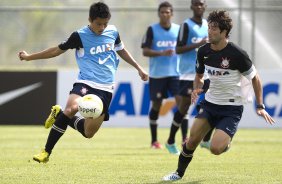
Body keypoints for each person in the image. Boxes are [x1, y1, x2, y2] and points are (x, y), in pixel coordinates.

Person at [18, 2, 148, 163]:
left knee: (88, 133)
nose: (102, 27)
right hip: (86, 82)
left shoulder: (113, 32)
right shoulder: (79, 36)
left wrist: (139, 68)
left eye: (105, 24)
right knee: (71, 109)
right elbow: (55, 51)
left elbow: (121, 49)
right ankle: (46, 152)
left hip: (105, 89)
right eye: (98, 24)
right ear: (90, 19)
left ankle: (58, 114)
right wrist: (29, 57)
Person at [163, 10, 275, 181]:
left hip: (231, 109)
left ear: (224, 32)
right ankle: (178, 173)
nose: (210, 31)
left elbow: (256, 78)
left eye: (214, 28)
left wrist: (260, 106)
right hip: (209, 104)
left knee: (216, 149)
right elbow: (199, 76)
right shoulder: (203, 51)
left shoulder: (237, 54)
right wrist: (196, 88)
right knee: (191, 141)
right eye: (209, 27)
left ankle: (225, 143)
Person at [165, 0, 211, 155]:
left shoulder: (207, 25)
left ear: (205, 6)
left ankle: (205, 140)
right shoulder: (186, 25)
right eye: (196, 4)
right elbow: (178, 49)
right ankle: (171, 140)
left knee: (214, 104)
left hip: (206, 72)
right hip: (188, 73)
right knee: (184, 108)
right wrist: (199, 43)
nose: (199, 6)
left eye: (201, 4)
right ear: (191, 6)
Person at [141, 1, 185, 149]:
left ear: (172, 14)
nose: (165, 14)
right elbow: (145, 51)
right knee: (156, 105)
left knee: (182, 104)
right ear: (159, 14)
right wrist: (161, 52)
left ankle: (185, 139)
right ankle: (154, 141)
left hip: (176, 74)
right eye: (162, 12)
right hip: (157, 75)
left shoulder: (179, 30)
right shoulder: (151, 30)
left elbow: (184, 49)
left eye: (168, 12)